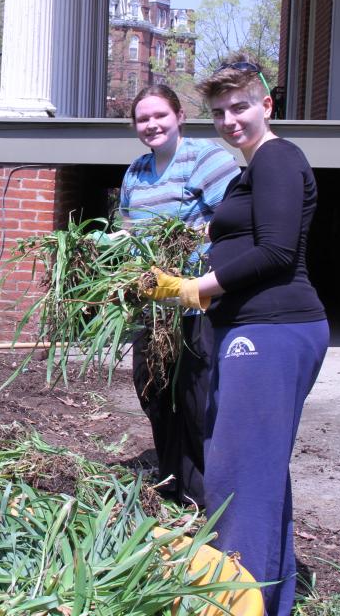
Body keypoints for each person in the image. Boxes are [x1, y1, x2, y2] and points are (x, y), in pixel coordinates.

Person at [145, 53, 329, 616]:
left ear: (266, 104)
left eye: (241, 107)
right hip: (252, 330)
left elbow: (275, 251)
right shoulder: (253, 168)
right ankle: (269, 600)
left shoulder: (277, 157)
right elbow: (250, 234)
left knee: (237, 470)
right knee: (258, 468)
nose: (230, 120)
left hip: (272, 330)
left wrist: (195, 288)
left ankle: (234, 603)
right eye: (220, 111)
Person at [121, 84, 239, 507]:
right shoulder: (136, 171)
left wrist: (185, 238)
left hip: (196, 299)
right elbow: (131, 230)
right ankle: (172, 484)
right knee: (154, 390)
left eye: (159, 116)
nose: (151, 125)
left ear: (179, 116)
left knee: (195, 398)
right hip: (153, 305)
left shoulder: (206, 158)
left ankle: (208, 495)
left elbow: (237, 219)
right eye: (142, 119)